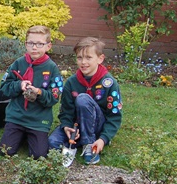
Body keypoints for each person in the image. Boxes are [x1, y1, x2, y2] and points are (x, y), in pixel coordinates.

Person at [48, 37, 122, 165]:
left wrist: (103, 139)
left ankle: (89, 144)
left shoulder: (109, 83)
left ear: (100, 58)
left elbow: (114, 116)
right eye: (79, 58)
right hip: (77, 127)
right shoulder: (71, 82)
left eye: (88, 57)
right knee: (52, 143)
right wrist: (67, 127)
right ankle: (78, 140)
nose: (83, 62)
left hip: (97, 128)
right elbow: (66, 112)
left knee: (82, 99)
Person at [0, 25, 64, 159]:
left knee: (38, 155)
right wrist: (19, 85)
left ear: (48, 46)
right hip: (16, 117)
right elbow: (4, 88)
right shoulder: (18, 64)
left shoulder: (52, 68)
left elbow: (54, 98)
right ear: (25, 44)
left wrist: (39, 92)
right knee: (5, 151)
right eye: (31, 43)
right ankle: (19, 134)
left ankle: (30, 136)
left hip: (38, 120)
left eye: (40, 44)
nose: (34, 47)